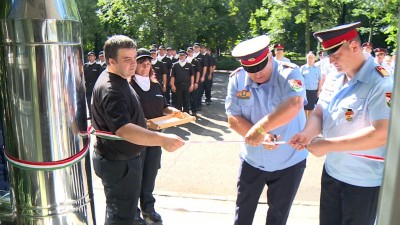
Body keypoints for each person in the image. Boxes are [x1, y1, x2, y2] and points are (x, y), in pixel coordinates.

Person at [289, 22, 393, 225]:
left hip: (363, 181)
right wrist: (307, 134)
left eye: (336, 55)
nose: (331, 61)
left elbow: (382, 133)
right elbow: (320, 112)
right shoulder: (336, 77)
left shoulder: (381, 82)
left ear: (354, 47)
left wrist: (327, 145)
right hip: (333, 173)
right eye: (328, 56)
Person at [91, 35, 185, 225]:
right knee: (121, 217)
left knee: (123, 213)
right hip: (119, 164)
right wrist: (162, 139)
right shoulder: (111, 88)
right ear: (111, 61)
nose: (133, 64)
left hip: (124, 160)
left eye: (135, 58)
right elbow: (124, 129)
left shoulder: (119, 78)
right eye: (127, 59)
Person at [226, 34, 308, 225]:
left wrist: (261, 128)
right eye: (250, 69)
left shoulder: (290, 73)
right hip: (252, 159)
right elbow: (233, 117)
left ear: (270, 56)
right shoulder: (237, 79)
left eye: (260, 66)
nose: (256, 73)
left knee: (278, 216)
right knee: (243, 211)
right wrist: (260, 137)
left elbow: (295, 103)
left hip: (288, 161)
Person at [129, 48, 182, 224]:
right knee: (136, 175)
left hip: (156, 137)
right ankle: (134, 210)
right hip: (136, 139)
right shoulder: (129, 86)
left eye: (147, 62)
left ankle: (148, 207)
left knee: (150, 173)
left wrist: (173, 111)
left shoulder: (155, 85)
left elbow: (164, 106)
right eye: (141, 62)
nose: (145, 65)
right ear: (134, 65)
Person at [300, 51, 322, 118]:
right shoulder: (302, 68)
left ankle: (309, 123)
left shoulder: (317, 69)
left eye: (312, 58)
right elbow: (298, 80)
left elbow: (320, 80)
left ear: (314, 59)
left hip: (313, 91)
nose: (310, 59)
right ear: (306, 59)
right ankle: (304, 123)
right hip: (304, 91)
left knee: (311, 109)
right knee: (303, 108)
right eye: (309, 58)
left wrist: (319, 91)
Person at [84, 51, 103, 117]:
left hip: (95, 86)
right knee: (89, 101)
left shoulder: (98, 66)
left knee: (96, 101)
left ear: (95, 57)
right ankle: (91, 114)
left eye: (91, 56)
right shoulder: (85, 66)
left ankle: (97, 115)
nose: (90, 57)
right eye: (89, 56)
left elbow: (100, 77)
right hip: (88, 86)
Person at [193, 43, 209, 111]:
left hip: (199, 76)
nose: (196, 49)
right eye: (195, 47)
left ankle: (198, 104)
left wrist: (203, 76)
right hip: (191, 77)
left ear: (199, 48)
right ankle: (193, 105)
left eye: (197, 47)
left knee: (199, 91)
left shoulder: (202, 56)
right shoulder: (190, 56)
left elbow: (205, 67)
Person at [186, 47, 201, 116]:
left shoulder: (196, 61)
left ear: (193, 52)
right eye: (188, 51)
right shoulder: (184, 60)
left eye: (191, 51)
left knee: (193, 97)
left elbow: (198, 72)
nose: (190, 53)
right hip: (186, 82)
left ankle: (194, 111)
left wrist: (196, 82)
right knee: (186, 97)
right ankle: (186, 111)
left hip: (194, 81)